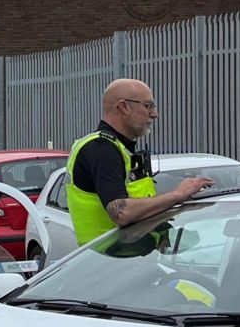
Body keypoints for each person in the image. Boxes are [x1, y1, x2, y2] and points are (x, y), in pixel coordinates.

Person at [66, 79, 215, 246]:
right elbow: (121, 213)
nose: (155, 114)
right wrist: (177, 195)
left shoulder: (118, 147)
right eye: (148, 106)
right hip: (110, 263)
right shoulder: (102, 150)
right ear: (123, 107)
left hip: (127, 261)